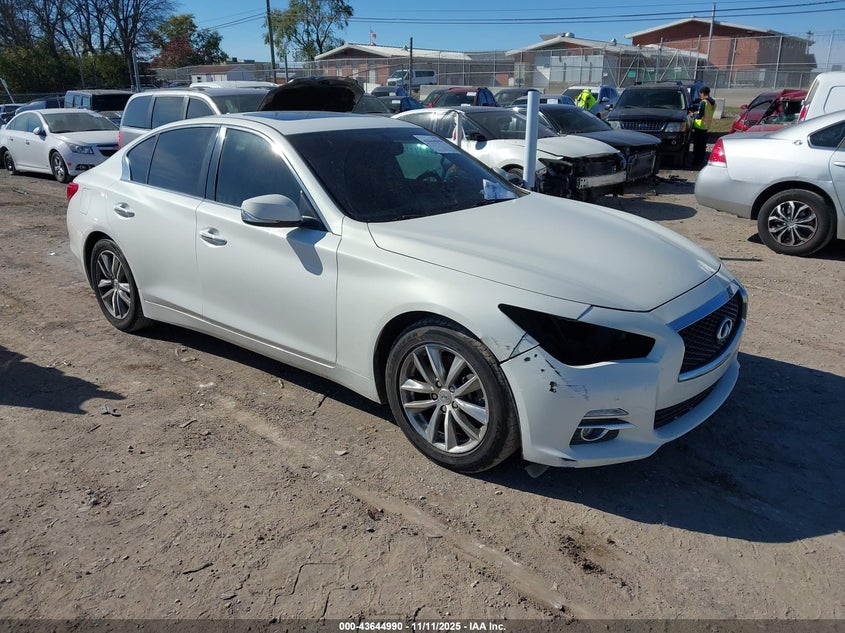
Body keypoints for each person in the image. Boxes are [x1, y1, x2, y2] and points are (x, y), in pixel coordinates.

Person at [690, 86, 716, 167]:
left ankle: (696, 162)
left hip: (699, 126)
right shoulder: (713, 103)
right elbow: (706, 113)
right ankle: (700, 161)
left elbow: (700, 115)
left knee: (697, 147)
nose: (700, 96)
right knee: (702, 146)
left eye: (700, 94)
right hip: (706, 126)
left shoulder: (704, 102)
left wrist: (692, 114)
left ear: (703, 93)